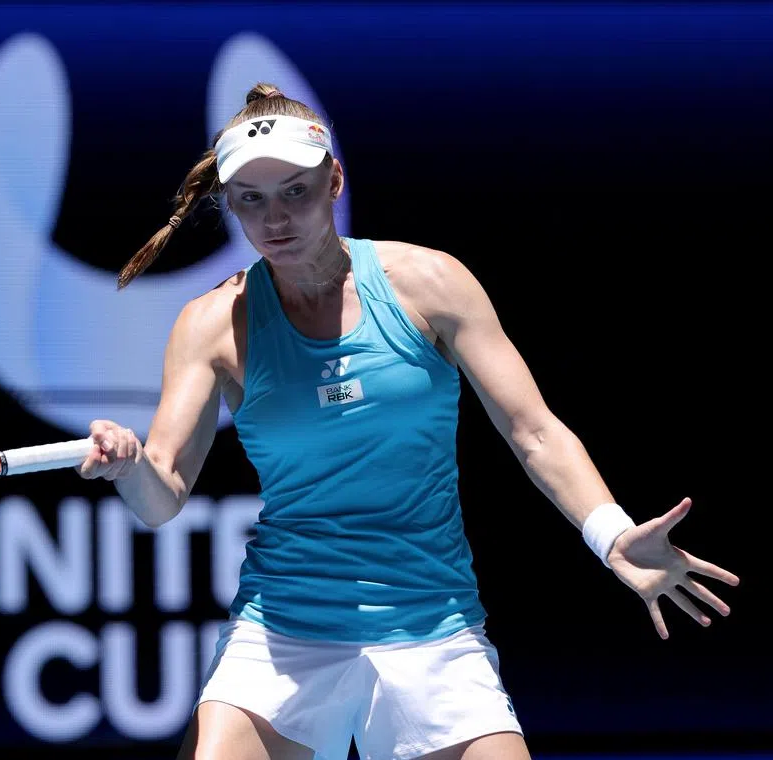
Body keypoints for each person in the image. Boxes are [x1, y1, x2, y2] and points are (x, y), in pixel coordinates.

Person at [75, 83, 740, 760]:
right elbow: (160, 498)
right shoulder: (213, 323)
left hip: (434, 625)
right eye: (251, 199)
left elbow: (533, 430)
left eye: (295, 192)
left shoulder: (430, 284)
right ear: (230, 205)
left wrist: (611, 533)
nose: (274, 218)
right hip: (282, 632)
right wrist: (131, 468)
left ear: (334, 180)